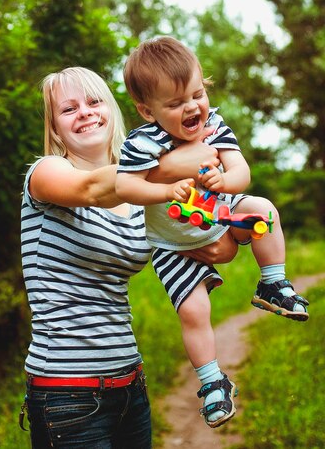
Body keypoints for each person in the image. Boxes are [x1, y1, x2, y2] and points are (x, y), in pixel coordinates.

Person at [19, 66, 235, 448]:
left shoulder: (144, 197)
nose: (85, 112)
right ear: (55, 128)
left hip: (129, 383)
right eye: (69, 109)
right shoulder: (47, 173)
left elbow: (219, 240)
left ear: (112, 111)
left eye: (94, 101)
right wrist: (171, 164)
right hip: (67, 393)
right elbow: (91, 189)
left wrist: (230, 233)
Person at [115, 36, 309, 429]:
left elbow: (242, 171)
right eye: (174, 103)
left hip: (219, 214)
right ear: (146, 110)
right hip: (173, 244)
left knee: (263, 210)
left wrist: (226, 180)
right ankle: (212, 383)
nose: (192, 107)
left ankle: (272, 283)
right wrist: (164, 189)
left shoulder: (215, 125)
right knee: (193, 311)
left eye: (197, 94)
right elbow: (124, 187)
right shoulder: (141, 143)